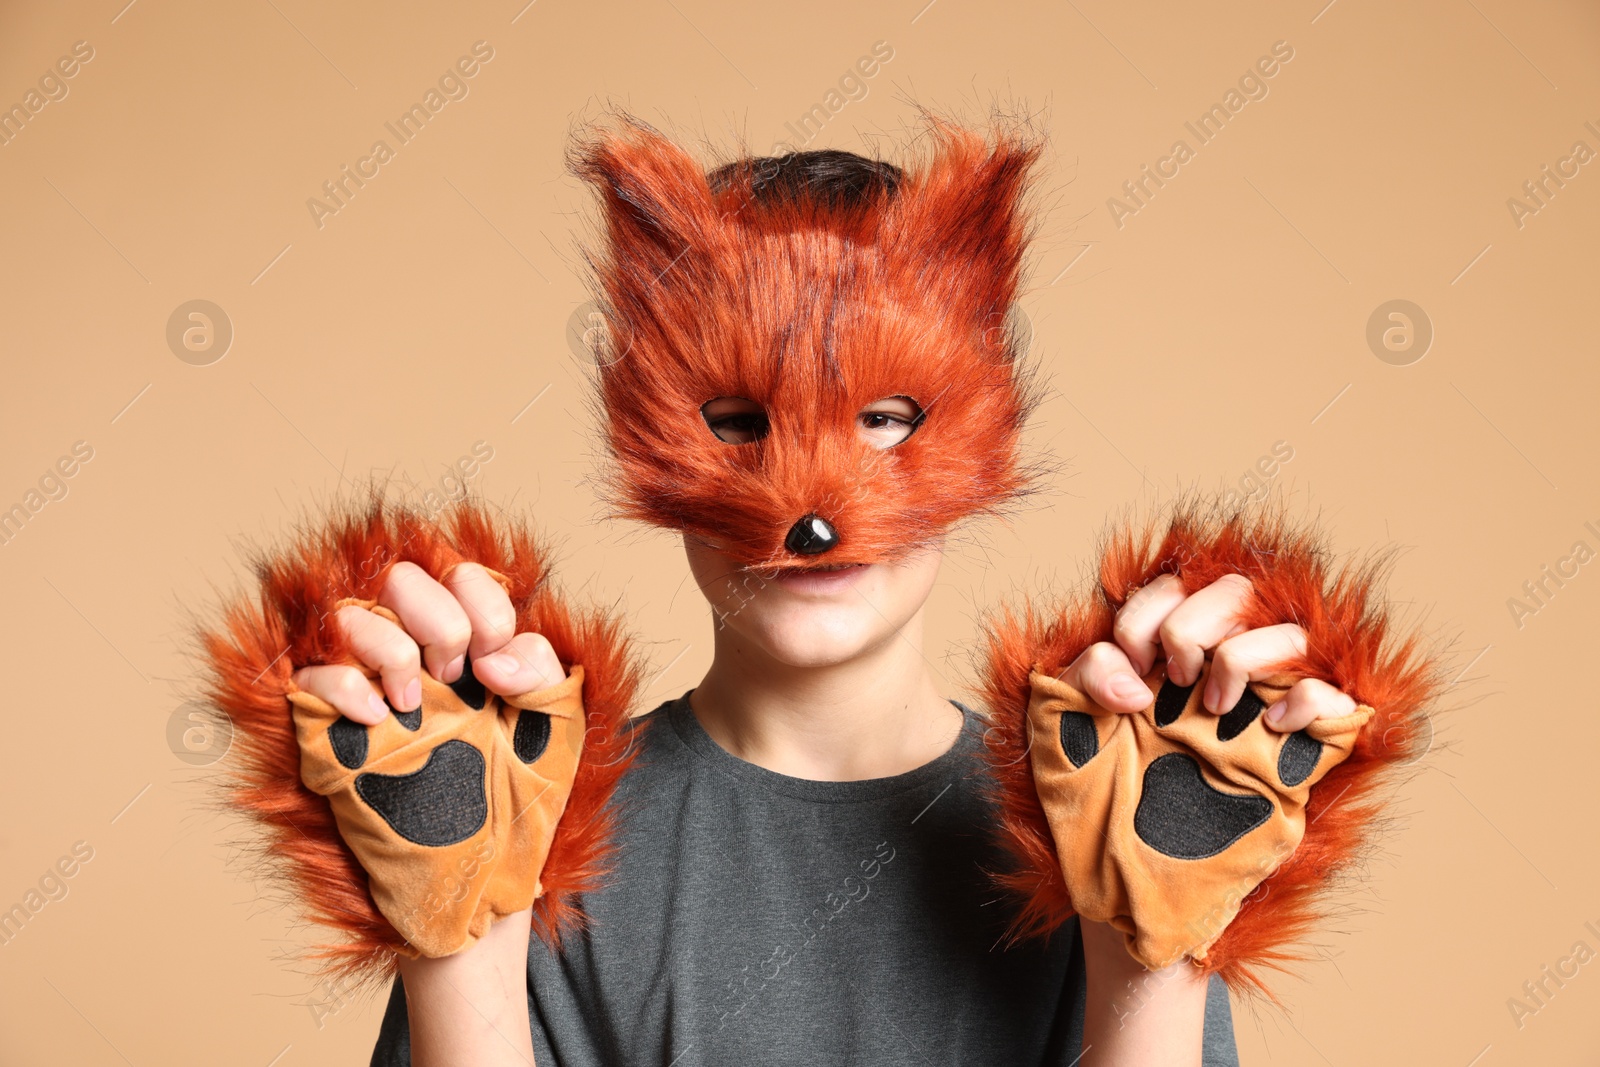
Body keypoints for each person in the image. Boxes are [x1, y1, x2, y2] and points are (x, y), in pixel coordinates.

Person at [204, 116, 1421, 1067]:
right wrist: (459, 937)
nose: (812, 503)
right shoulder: (510, 811)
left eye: (886, 419)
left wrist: (1153, 952)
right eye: (737, 423)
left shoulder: (1122, 807)